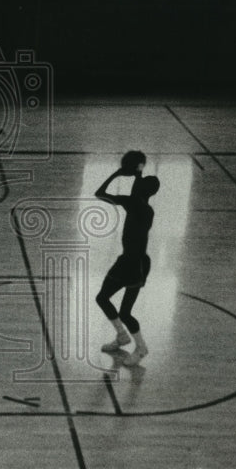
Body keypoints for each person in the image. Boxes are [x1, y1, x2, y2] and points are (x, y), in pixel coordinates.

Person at [94, 152, 159, 367]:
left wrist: (118, 173)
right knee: (102, 297)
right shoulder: (138, 202)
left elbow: (100, 193)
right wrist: (137, 173)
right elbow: (101, 194)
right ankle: (122, 336)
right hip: (126, 261)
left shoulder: (139, 207)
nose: (136, 185)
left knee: (125, 312)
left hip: (136, 265)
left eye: (139, 184)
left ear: (142, 191)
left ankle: (141, 348)